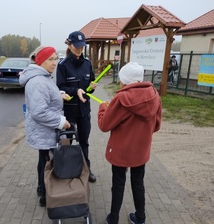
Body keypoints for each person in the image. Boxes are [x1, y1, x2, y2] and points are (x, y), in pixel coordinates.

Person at [97, 62, 162, 224]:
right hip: (141, 150)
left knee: (118, 184)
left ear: (124, 80)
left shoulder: (120, 99)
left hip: (121, 151)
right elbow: (156, 125)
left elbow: (104, 125)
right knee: (138, 183)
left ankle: (113, 219)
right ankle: (140, 218)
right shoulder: (154, 94)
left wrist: (103, 108)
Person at [19, 46, 71, 207]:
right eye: (50, 59)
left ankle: (44, 189)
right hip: (45, 129)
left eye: (56, 58)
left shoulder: (44, 76)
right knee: (45, 162)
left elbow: (45, 98)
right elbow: (39, 112)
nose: (55, 63)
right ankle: (44, 193)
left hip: (46, 130)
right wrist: (61, 122)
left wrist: (59, 94)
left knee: (45, 160)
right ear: (40, 61)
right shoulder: (37, 81)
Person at [56, 31, 97, 183]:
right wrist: (75, 90)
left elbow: (89, 87)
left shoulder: (87, 64)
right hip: (70, 111)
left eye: (82, 46)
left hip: (84, 111)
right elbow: (60, 87)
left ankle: (87, 169)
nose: (79, 49)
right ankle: (66, 169)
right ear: (69, 45)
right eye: (76, 46)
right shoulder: (63, 66)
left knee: (84, 141)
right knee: (67, 142)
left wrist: (92, 87)